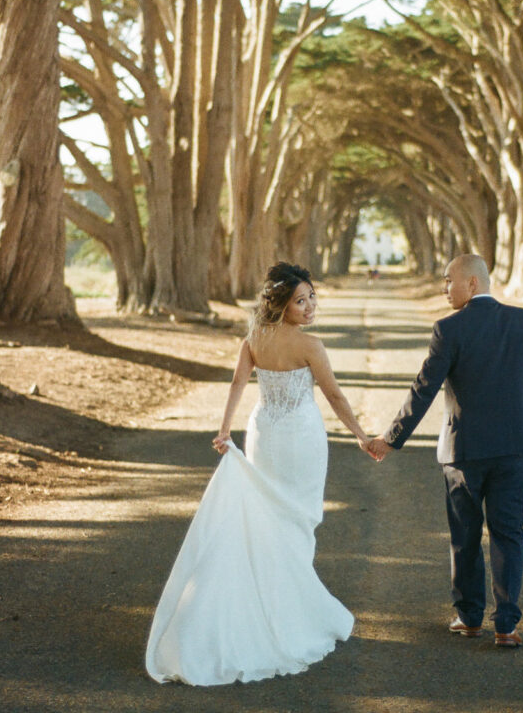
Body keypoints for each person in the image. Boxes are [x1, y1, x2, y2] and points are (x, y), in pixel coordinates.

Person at [146, 262, 371, 686]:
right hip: (301, 436)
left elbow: (237, 385)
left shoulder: (254, 339)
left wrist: (225, 428)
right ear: (281, 306)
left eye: (311, 298)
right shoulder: (309, 345)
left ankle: (276, 602)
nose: (309, 307)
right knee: (298, 519)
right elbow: (334, 394)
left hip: (264, 431)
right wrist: (359, 435)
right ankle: (289, 613)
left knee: (272, 517)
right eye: (300, 301)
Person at [367, 254, 523, 648]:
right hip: (515, 449)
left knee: (465, 535)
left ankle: (468, 617)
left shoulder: (449, 329)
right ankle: (507, 625)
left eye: (449, 280)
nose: (444, 287)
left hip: (463, 451)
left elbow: (423, 390)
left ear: (473, 284)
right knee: (509, 533)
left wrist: (391, 439)